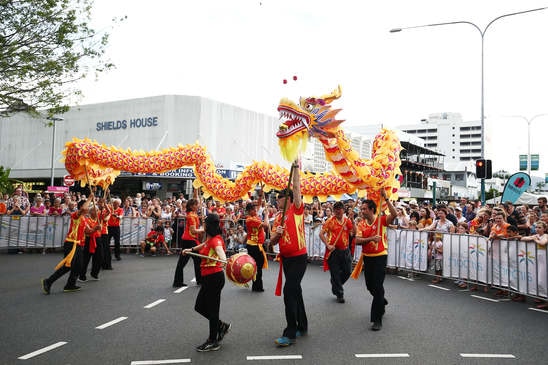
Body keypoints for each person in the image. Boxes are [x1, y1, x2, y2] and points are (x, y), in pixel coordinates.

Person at [269, 160, 308, 347]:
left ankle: (290, 332)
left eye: (279, 198)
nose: (277, 201)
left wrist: (296, 170)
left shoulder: (297, 209)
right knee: (296, 292)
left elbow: (297, 189)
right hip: (286, 260)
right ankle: (303, 325)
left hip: (299, 258)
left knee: (289, 292)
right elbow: (272, 243)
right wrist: (277, 234)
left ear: (288, 199)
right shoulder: (277, 217)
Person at [182, 213, 230, 352]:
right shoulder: (210, 239)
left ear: (208, 225)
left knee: (212, 310)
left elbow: (221, 254)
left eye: (204, 223)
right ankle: (220, 326)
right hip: (208, 278)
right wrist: (190, 250)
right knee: (199, 306)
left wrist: (224, 262)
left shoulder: (216, 241)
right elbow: (203, 245)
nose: (203, 225)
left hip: (214, 278)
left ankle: (213, 340)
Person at [352, 190, 397, 331]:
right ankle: (381, 300)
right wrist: (371, 239)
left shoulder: (381, 220)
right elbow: (357, 240)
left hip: (380, 257)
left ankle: (377, 319)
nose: (362, 211)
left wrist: (386, 198)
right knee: (370, 286)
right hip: (368, 258)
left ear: (372, 210)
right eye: (361, 209)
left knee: (377, 286)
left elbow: (394, 214)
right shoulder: (361, 224)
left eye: (364, 209)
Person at [41, 193, 96, 294]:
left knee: (79, 266)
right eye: (88, 207)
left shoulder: (84, 219)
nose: (89, 209)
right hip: (71, 244)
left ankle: (70, 284)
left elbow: (88, 231)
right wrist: (89, 198)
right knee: (67, 266)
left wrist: (95, 229)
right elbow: (83, 209)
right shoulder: (75, 215)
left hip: (79, 245)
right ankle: (48, 281)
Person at [319, 201, 355, 303]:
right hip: (333, 251)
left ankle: (336, 283)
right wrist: (328, 245)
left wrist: (352, 220)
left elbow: (353, 233)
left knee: (348, 271)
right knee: (335, 273)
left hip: (345, 251)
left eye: (340, 209)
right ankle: (340, 294)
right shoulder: (330, 221)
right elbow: (321, 234)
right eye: (336, 209)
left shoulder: (347, 221)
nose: (337, 211)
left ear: (343, 210)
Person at [173, 198, 204, 288]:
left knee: (193, 261)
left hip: (190, 240)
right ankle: (199, 280)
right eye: (196, 204)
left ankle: (179, 281)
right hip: (189, 240)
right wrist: (203, 229)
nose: (198, 206)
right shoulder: (191, 216)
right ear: (191, 206)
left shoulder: (194, 214)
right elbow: (193, 231)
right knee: (196, 260)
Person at [245, 199, 269, 292]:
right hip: (254, 246)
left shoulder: (255, 218)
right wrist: (266, 215)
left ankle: (257, 285)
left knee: (258, 266)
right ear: (249, 211)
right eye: (254, 210)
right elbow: (266, 224)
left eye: (255, 209)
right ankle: (257, 286)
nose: (256, 211)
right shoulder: (250, 219)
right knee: (257, 266)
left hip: (255, 244)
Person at [79, 205, 103, 281]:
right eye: (94, 210)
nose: (96, 212)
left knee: (99, 257)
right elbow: (88, 232)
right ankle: (82, 276)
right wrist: (96, 228)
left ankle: (94, 274)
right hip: (89, 240)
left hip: (98, 239)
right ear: (90, 211)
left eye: (97, 210)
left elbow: (108, 212)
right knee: (86, 258)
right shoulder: (86, 219)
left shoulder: (99, 219)